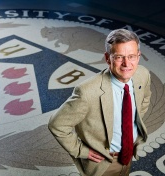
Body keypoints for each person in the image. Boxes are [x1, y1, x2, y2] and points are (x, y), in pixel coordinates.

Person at [48, 29, 151, 176]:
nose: (126, 63)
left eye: (131, 56)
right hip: (104, 163)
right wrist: (80, 150)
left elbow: (144, 99)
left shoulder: (143, 75)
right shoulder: (87, 92)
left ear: (138, 57)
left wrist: (131, 124)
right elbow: (57, 124)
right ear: (108, 58)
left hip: (129, 153)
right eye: (119, 57)